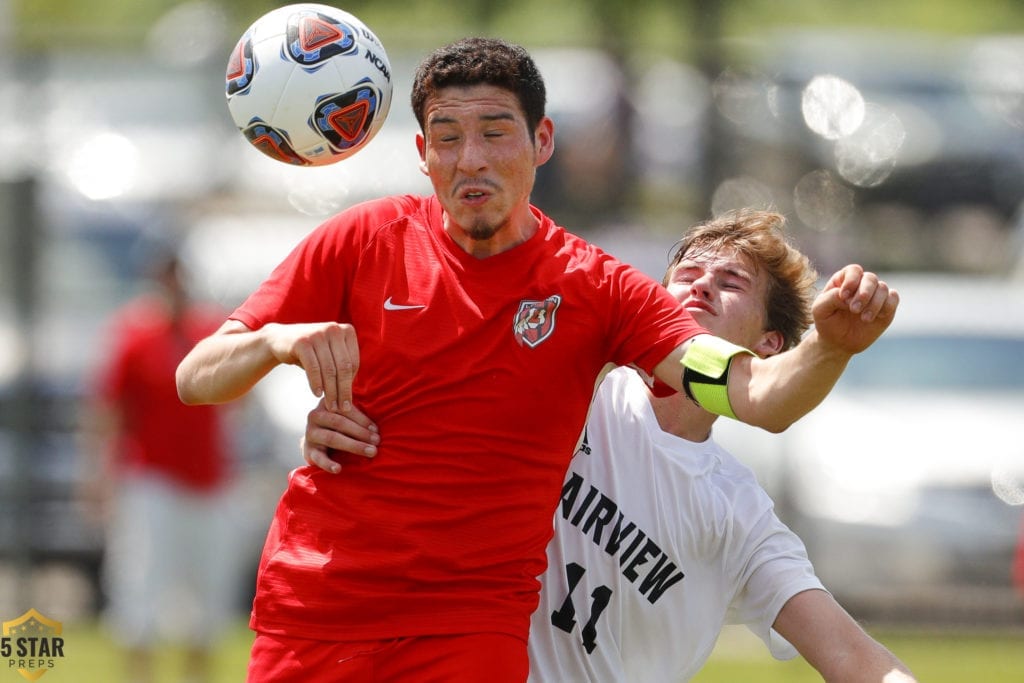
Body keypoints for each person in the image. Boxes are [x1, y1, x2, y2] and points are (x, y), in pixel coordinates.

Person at [175, 38, 897, 682]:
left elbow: (752, 392)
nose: (472, 160)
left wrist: (829, 344)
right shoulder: (361, 239)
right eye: (448, 138)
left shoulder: (597, 292)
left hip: (467, 633)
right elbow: (197, 375)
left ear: (541, 140)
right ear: (421, 152)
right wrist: (278, 343)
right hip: (313, 607)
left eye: (495, 133)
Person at [302, 210, 915, 682]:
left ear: (770, 346)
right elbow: (431, 405)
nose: (699, 288)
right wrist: (345, 421)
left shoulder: (737, 515)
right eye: (686, 274)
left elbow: (853, 658)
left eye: (730, 283)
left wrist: (832, 346)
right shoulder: (578, 385)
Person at [82, 246, 243, 683]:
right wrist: (98, 474)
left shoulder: (210, 329)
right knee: (141, 591)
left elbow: (237, 400)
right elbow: (109, 411)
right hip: (151, 478)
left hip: (209, 479)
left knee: (207, 599)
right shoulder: (134, 334)